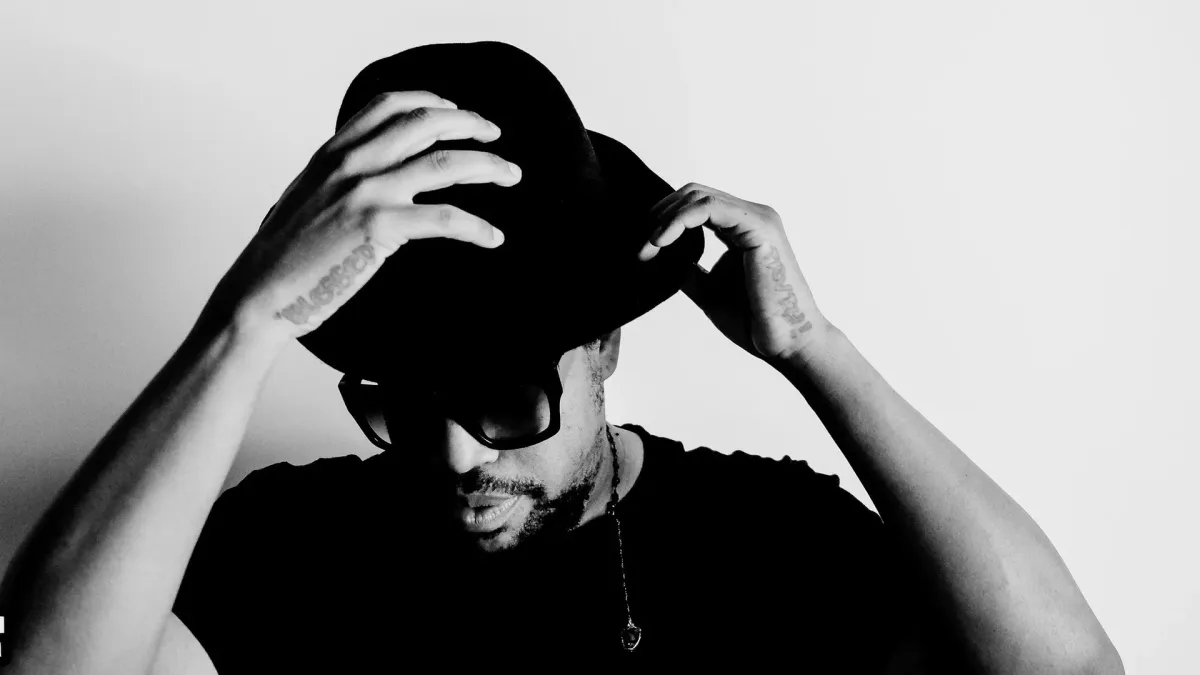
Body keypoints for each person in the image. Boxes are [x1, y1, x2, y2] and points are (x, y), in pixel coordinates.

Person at [0, 42, 1123, 673]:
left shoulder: (763, 538)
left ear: (606, 348)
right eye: (400, 404)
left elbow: (1065, 670)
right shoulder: (293, 543)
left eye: (502, 394)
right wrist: (239, 326)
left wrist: (815, 352)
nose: (454, 457)